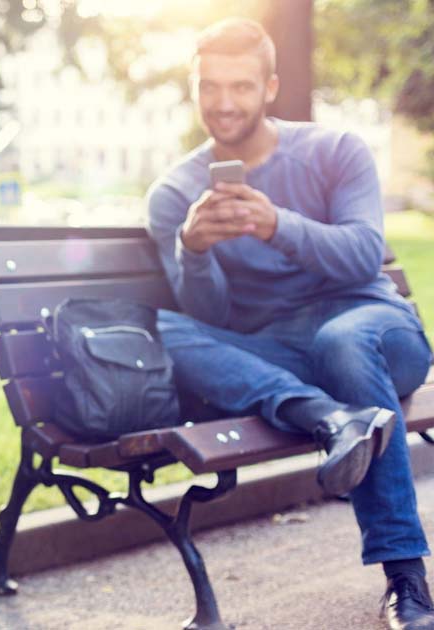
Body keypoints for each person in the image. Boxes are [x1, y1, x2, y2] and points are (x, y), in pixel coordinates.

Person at [146, 18, 433, 629]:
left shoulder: (334, 152)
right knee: (167, 330)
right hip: (276, 349)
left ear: (270, 87)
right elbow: (212, 318)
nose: (224, 103)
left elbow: (362, 255)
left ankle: (405, 577)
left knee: (343, 342)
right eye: (210, 87)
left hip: (372, 327)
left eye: (241, 87)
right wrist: (192, 250)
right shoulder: (175, 195)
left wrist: (278, 224)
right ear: (194, 89)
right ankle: (331, 418)